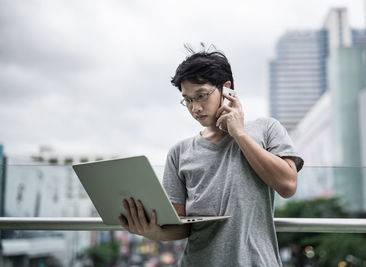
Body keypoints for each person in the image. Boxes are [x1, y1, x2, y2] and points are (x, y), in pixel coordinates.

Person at [119, 48, 304, 266]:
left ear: (227, 90)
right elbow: (180, 226)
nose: (195, 108)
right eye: (187, 100)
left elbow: (288, 185)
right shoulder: (179, 152)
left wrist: (239, 133)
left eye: (201, 96)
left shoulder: (266, 128)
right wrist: (153, 232)